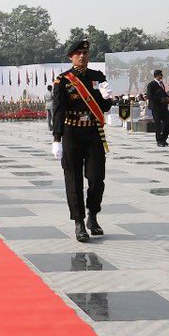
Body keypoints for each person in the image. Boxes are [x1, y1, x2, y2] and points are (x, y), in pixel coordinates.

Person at [52, 40, 114, 243]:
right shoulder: (63, 80)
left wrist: (107, 97)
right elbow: (58, 111)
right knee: (73, 180)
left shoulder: (97, 77)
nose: (82, 56)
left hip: (93, 133)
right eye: (78, 53)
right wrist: (56, 139)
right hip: (72, 133)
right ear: (71, 56)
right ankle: (79, 222)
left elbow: (104, 107)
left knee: (97, 178)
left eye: (85, 53)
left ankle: (92, 215)